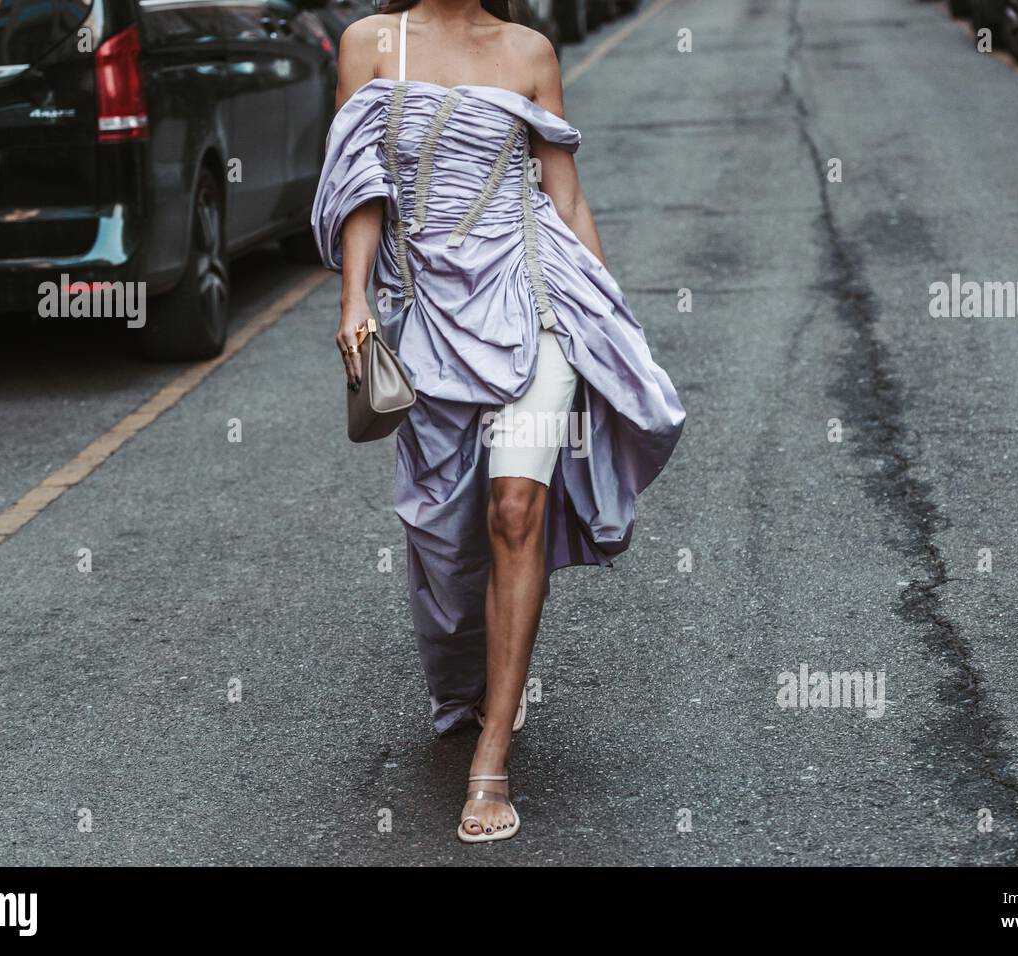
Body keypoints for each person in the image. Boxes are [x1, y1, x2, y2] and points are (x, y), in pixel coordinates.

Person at [311, 0, 684, 843]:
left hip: (537, 298)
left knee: (515, 509)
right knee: (446, 543)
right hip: (431, 313)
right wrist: (355, 297)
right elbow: (362, 181)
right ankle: (470, 688)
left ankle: (492, 755)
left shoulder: (529, 51)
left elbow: (567, 196)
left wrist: (608, 317)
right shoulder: (372, 43)